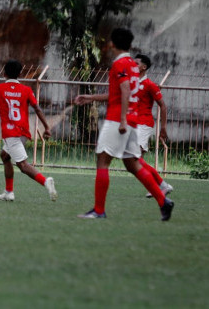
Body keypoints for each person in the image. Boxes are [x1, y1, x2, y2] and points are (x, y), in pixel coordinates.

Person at [74, 28, 174, 220]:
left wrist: (121, 120)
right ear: (129, 45)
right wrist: (91, 97)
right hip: (133, 121)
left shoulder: (120, 63)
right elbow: (120, 93)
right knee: (133, 164)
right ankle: (163, 201)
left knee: (103, 161)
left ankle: (99, 210)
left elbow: (125, 89)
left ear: (112, 44)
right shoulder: (132, 65)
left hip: (118, 120)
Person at [0, 59, 58, 202]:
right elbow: (37, 109)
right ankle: (9, 192)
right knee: (5, 155)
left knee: (23, 165)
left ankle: (46, 182)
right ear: (20, 74)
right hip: (23, 131)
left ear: (3, 73)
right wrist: (47, 127)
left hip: (11, 133)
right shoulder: (27, 90)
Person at [134, 53, 173, 198]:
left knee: (135, 159)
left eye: (136, 63)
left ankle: (162, 185)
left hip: (143, 124)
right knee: (136, 161)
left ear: (144, 67)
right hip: (133, 124)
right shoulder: (132, 83)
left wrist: (163, 128)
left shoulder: (150, 85)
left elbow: (163, 106)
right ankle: (159, 186)